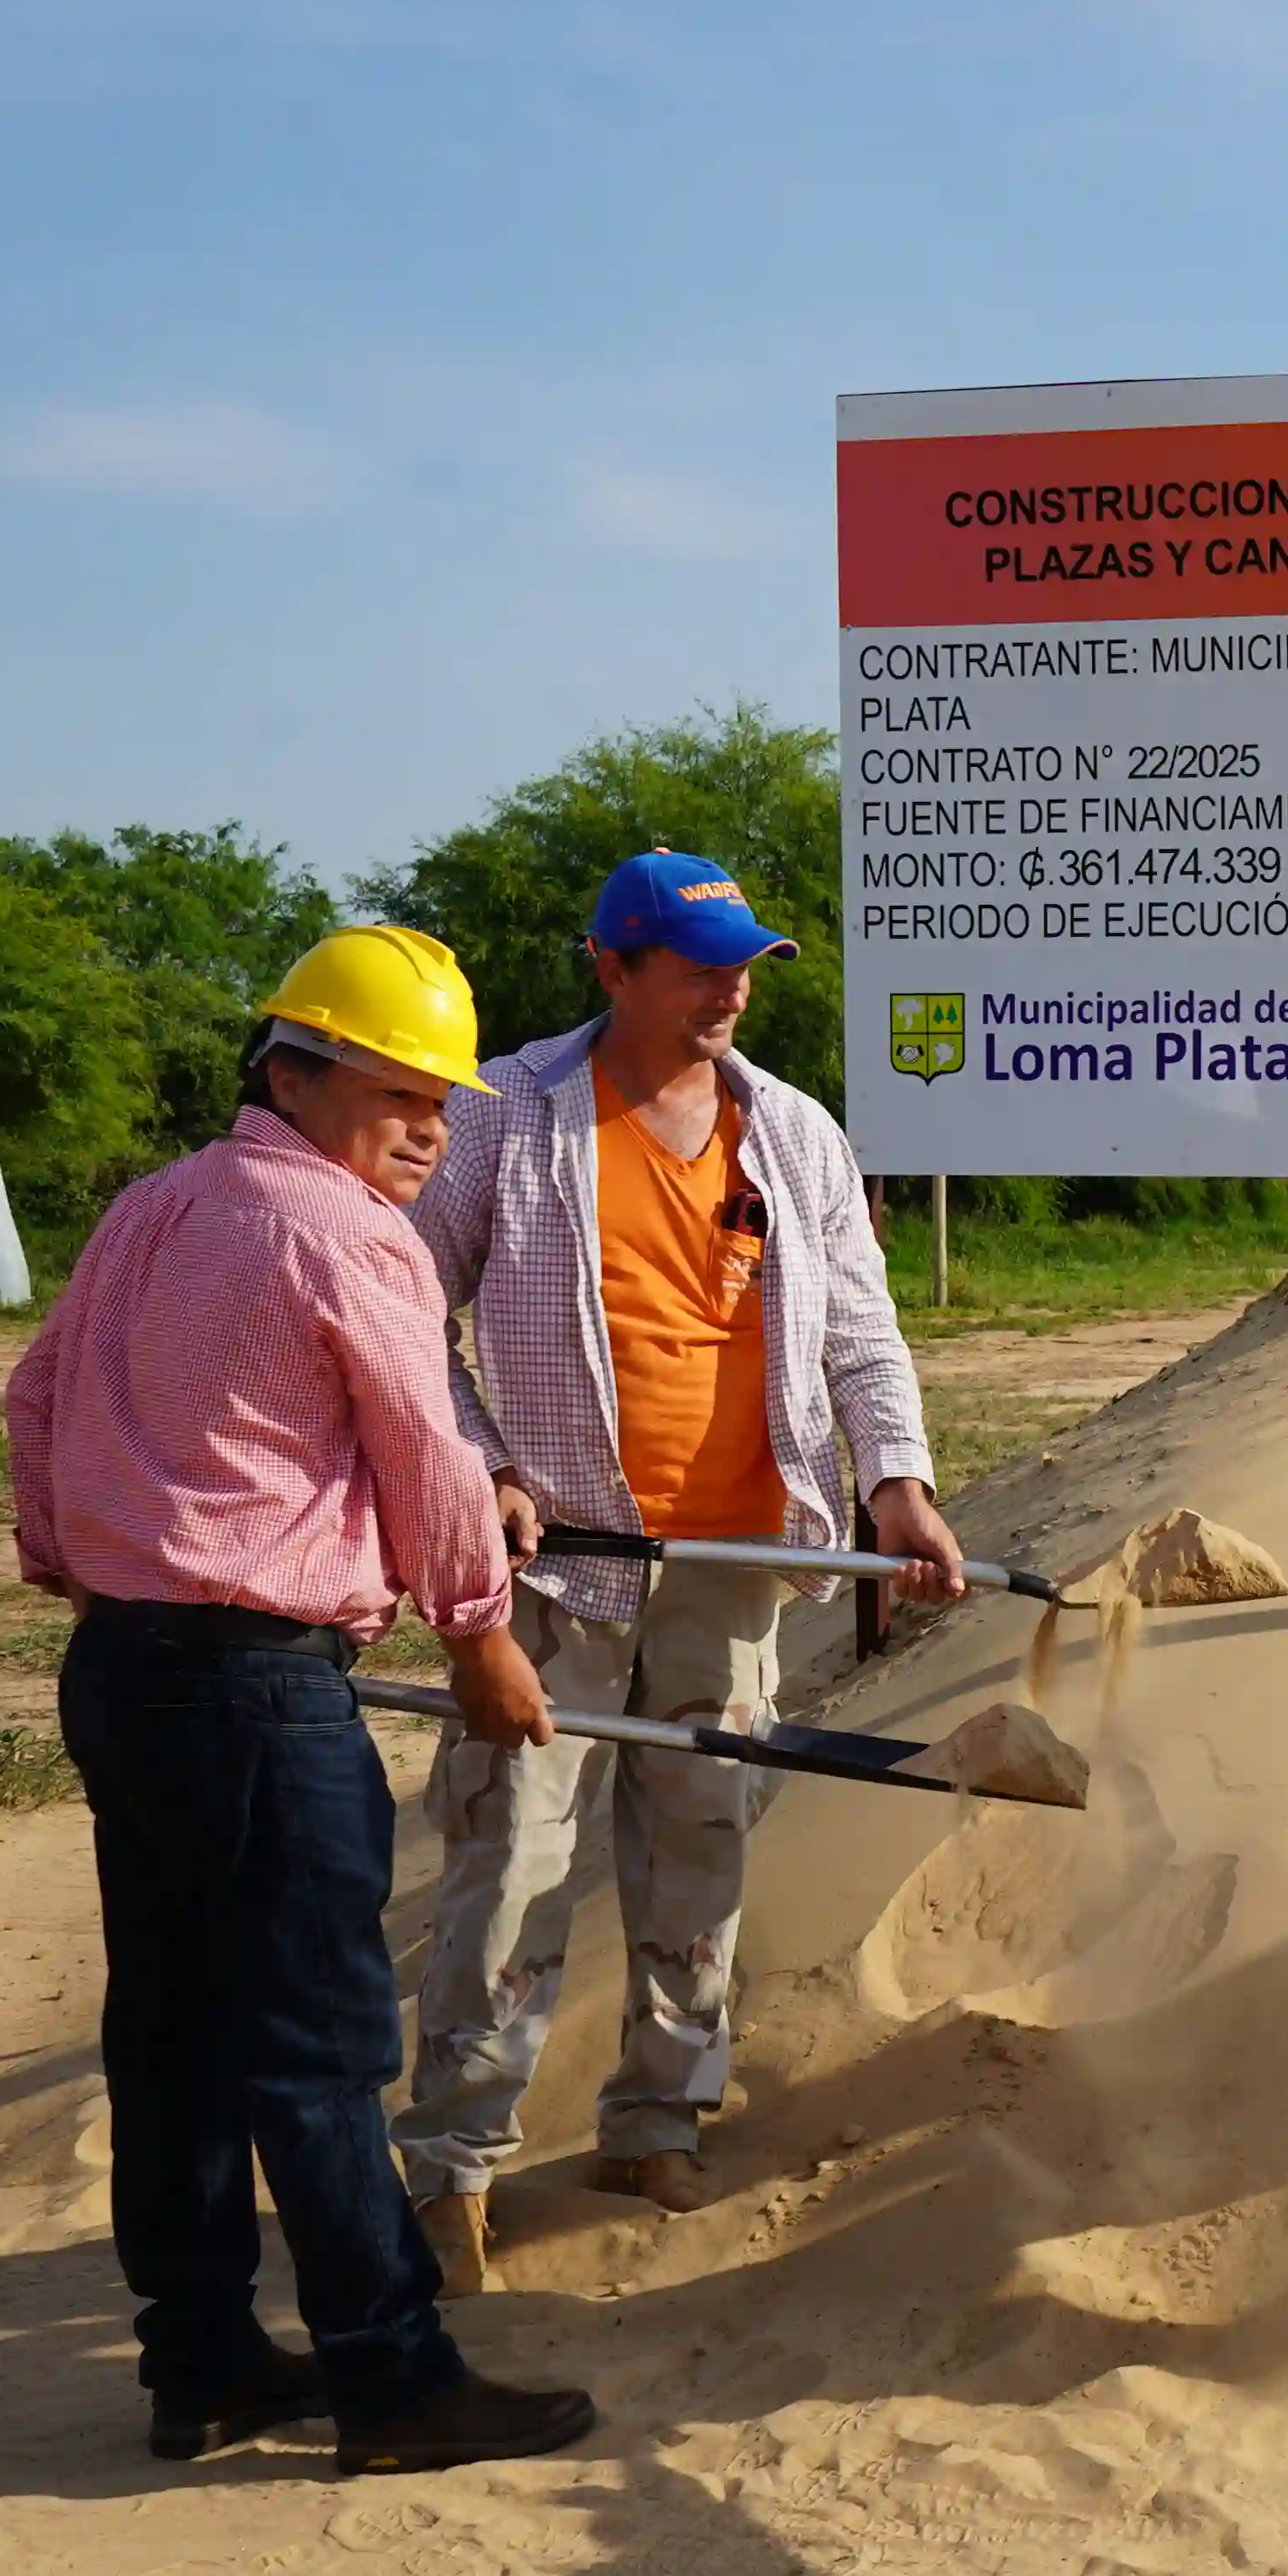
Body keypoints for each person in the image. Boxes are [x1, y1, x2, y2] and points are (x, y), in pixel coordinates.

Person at [6, 925, 597, 2475]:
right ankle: (394, 2379)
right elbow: (420, 1447)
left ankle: (198, 2359)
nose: (430, 1127)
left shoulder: (154, 1206)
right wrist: (481, 1637)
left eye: (445, 1100)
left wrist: (76, 1554)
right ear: (293, 1069)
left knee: (177, 2030)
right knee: (318, 2043)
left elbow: (37, 1392)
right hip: (261, 1688)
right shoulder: (348, 1237)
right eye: (398, 1091)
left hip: (127, 1666)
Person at [389, 849, 964, 2279]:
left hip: (737, 1550)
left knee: (701, 1840)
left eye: (744, 967)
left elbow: (860, 1330)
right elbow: (402, 1319)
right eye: (697, 967)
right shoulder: (507, 1118)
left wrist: (895, 1481)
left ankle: (661, 2117)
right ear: (611, 969)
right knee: (511, 1857)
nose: (728, 993)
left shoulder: (796, 1132)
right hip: (558, 1557)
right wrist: (486, 1471)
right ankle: (456, 2164)